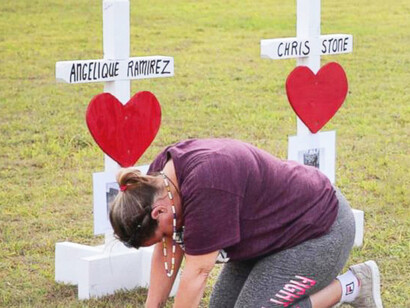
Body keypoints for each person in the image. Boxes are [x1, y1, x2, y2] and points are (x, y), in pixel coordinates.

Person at [109, 138, 383, 308]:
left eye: (161, 235)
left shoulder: (207, 187)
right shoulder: (158, 184)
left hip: (319, 228)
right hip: (268, 239)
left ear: (158, 212)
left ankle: (353, 285)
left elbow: (196, 274)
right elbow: (168, 251)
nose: (168, 241)